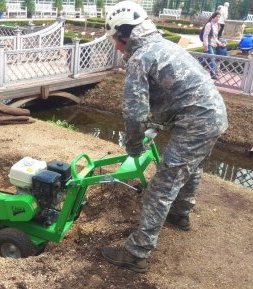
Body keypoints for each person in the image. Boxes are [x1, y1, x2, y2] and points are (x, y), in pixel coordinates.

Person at [100, 1, 228, 273]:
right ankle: (180, 215)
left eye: (114, 39)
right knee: (191, 168)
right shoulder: (166, 46)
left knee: (161, 187)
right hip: (214, 115)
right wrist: (156, 126)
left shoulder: (140, 58)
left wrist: (133, 145)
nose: (115, 45)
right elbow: (172, 94)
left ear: (124, 34)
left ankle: (136, 254)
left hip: (196, 121)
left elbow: (134, 113)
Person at [203, 11, 226, 79]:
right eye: (217, 16)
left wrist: (220, 43)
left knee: (204, 58)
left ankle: (196, 66)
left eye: (219, 17)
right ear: (213, 16)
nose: (218, 18)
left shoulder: (217, 25)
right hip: (209, 44)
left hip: (214, 44)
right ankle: (212, 74)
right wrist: (206, 45)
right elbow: (205, 35)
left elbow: (215, 37)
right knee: (212, 58)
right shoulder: (209, 24)